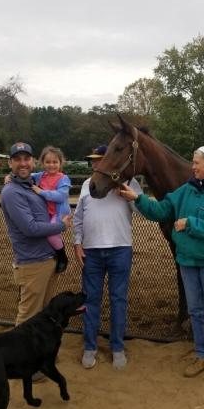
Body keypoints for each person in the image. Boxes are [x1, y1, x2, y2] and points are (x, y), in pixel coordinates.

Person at [120, 142, 204, 387]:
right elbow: (161, 210)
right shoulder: (185, 190)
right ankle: (203, 354)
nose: (193, 166)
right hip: (188, 260)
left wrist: (190, 224)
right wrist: (138, 199)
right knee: (196, 311)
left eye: (197, 162)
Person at [73, 144, 143, 370]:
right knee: (91, 299)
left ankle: (117, 347)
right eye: (93, 160)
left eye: (99, 160)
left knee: (118, 300)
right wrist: (77, 243)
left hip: (120, 249)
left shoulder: (130, 183)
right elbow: (78, 217)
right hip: (92, 251)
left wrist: (129, 196)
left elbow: (143, 211)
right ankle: (90, 346)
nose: (95, 164)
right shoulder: (87, 185)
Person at [1, 142, 72, 329]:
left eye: (26, 159)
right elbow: (30, 228)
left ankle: (37, 355)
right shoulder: (12, 192)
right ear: (10, 163)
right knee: (28, 317)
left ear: (32, 162)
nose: (23, 163)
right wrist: (60, 226)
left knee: (43, 313)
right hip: (33, 263)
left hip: (47, 258)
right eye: (17, 160)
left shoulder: (31, 184)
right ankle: (18, 357)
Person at [31, 146, 71, 273]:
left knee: (51, 235)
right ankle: (51, 254)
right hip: (46, 212)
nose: (51, 165)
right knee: (42, 233)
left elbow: (61, 196)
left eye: (55, 162)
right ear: (42, 163)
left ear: (60, 163)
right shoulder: (40, 176)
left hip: (59, 212)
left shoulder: (63, 178)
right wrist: (10, 177)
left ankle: (62, 257)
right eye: (48, 162)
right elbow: (24, 175)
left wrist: (41, 192)